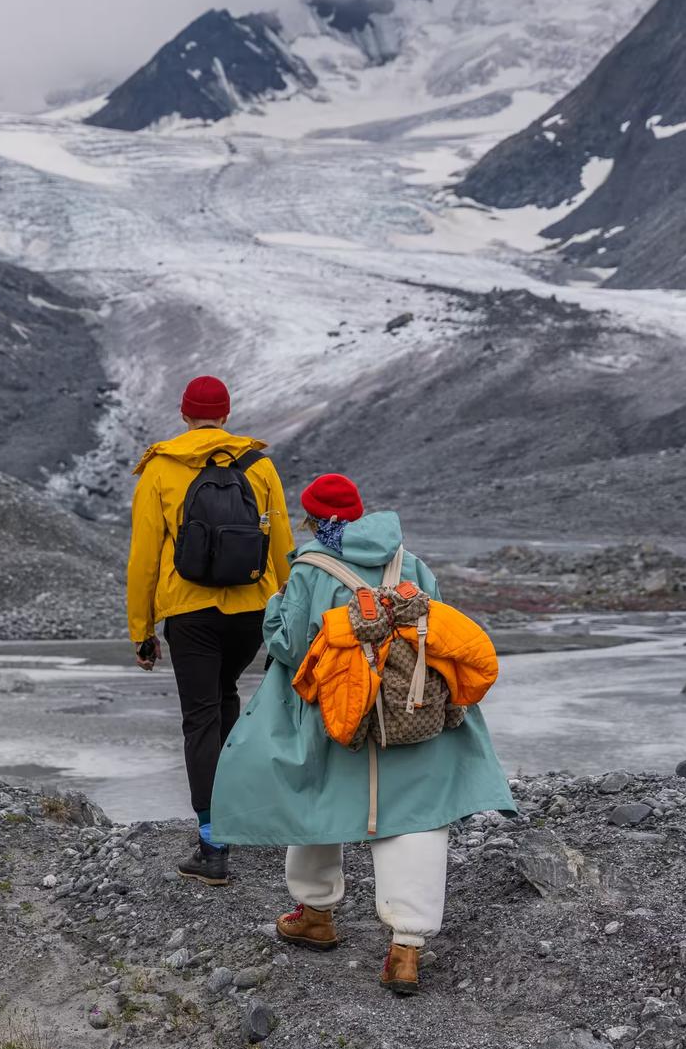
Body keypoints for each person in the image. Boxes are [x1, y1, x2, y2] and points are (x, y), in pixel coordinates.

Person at [210, 472, 514, 995]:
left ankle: (317, 914)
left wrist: (276, 611)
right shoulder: (410, 562)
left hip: (339, 715)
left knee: (316, 799)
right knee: (417, 816)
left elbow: (291, 647)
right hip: (413, 713)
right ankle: (406, 950)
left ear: (311, 519)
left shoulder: (308, 568)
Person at [127, 374, 293, 886]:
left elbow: (144, 559)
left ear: (184, 413)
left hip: (190, 612)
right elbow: (284, 545)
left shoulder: (160, 468)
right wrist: (289, 612)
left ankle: (213, 844)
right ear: (226, 413)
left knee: (201, 717)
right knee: (225, 700)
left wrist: (142, 629)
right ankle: (239, 814)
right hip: (250, 611)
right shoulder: (259, 464)